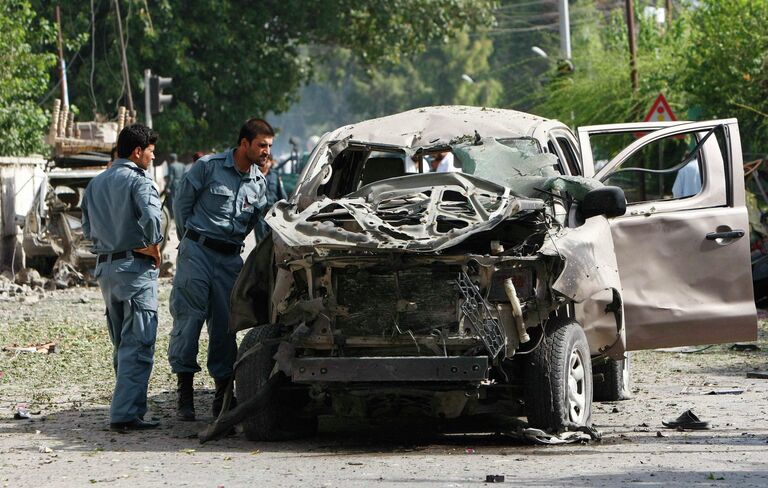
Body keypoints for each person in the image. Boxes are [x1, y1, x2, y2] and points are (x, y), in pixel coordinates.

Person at [168, 118, 271, 421]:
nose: (266, 152)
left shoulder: (259, 183)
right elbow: (181, 205)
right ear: (244, 144)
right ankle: (184, 394)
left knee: (226, 328)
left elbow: (256, 222)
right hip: (197, 253)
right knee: (189, 321)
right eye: (261, 145)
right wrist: (192, 241)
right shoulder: (208, 167)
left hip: (229, 260)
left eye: (268, 146)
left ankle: (222, 396)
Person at [81, 124, 163, 432]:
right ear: (137, 152)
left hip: (106, 270)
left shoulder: (96, 183)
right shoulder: (139, 181)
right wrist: (154, 245)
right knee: (138, 343)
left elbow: (87, 229)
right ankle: (125, 414)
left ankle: (128, 407)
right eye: (151, 152)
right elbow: (154, 218)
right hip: (135, 269)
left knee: (122, 344)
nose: (153, 158)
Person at [254, 154, 288, 242]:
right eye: (264, 160)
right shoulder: (253, 175)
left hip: (273, 213)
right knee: (261, 242)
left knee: (274, 241)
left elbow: (281, 194)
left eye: (268, 161)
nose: (265, 163)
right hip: (259, 215)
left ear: (271, 162)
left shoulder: (275, 175)